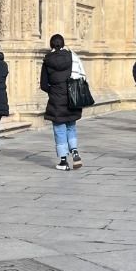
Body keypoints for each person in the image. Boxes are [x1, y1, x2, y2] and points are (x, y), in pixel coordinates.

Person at [40, 33, 82, 171]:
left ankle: (63, 161)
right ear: (63, 44)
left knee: (59, 129)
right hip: (71, 97)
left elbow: (43, 84)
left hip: (56, 99)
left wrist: (53, 91)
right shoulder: (71, 57)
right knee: (71, 126)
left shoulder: (47, 60)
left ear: (51, 45)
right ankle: (75, 151)